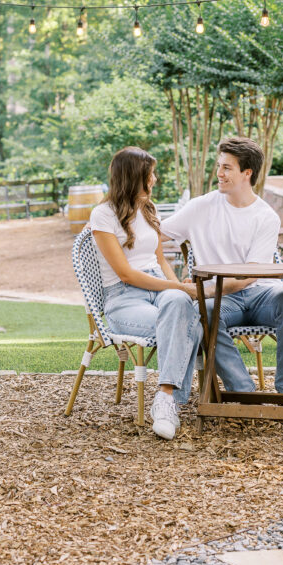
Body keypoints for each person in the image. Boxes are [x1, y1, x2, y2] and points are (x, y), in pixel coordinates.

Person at [160, 135, 283, 394]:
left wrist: (199, 291)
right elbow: (154, 235)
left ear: (246, 173)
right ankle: (243, 392)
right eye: (219, 166)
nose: (219, 173)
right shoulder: (201, 207)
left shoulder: (265, 217)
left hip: (261, 293)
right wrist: (114, 228)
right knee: (202, 315)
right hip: (222, 301)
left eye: (226, 168)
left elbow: (248, 277)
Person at [90, 147, 202, 441]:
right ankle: (174, 401)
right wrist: (181, 288)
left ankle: (165, 398)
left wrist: (180, 287)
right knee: (191, 324)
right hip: (124, 297)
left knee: (181, 306)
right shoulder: (102, 215)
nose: (155, 178)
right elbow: (126, 273)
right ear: (134, 177)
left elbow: (160, 261)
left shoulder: (148, 209)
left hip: (158, 288)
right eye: (151, 173)